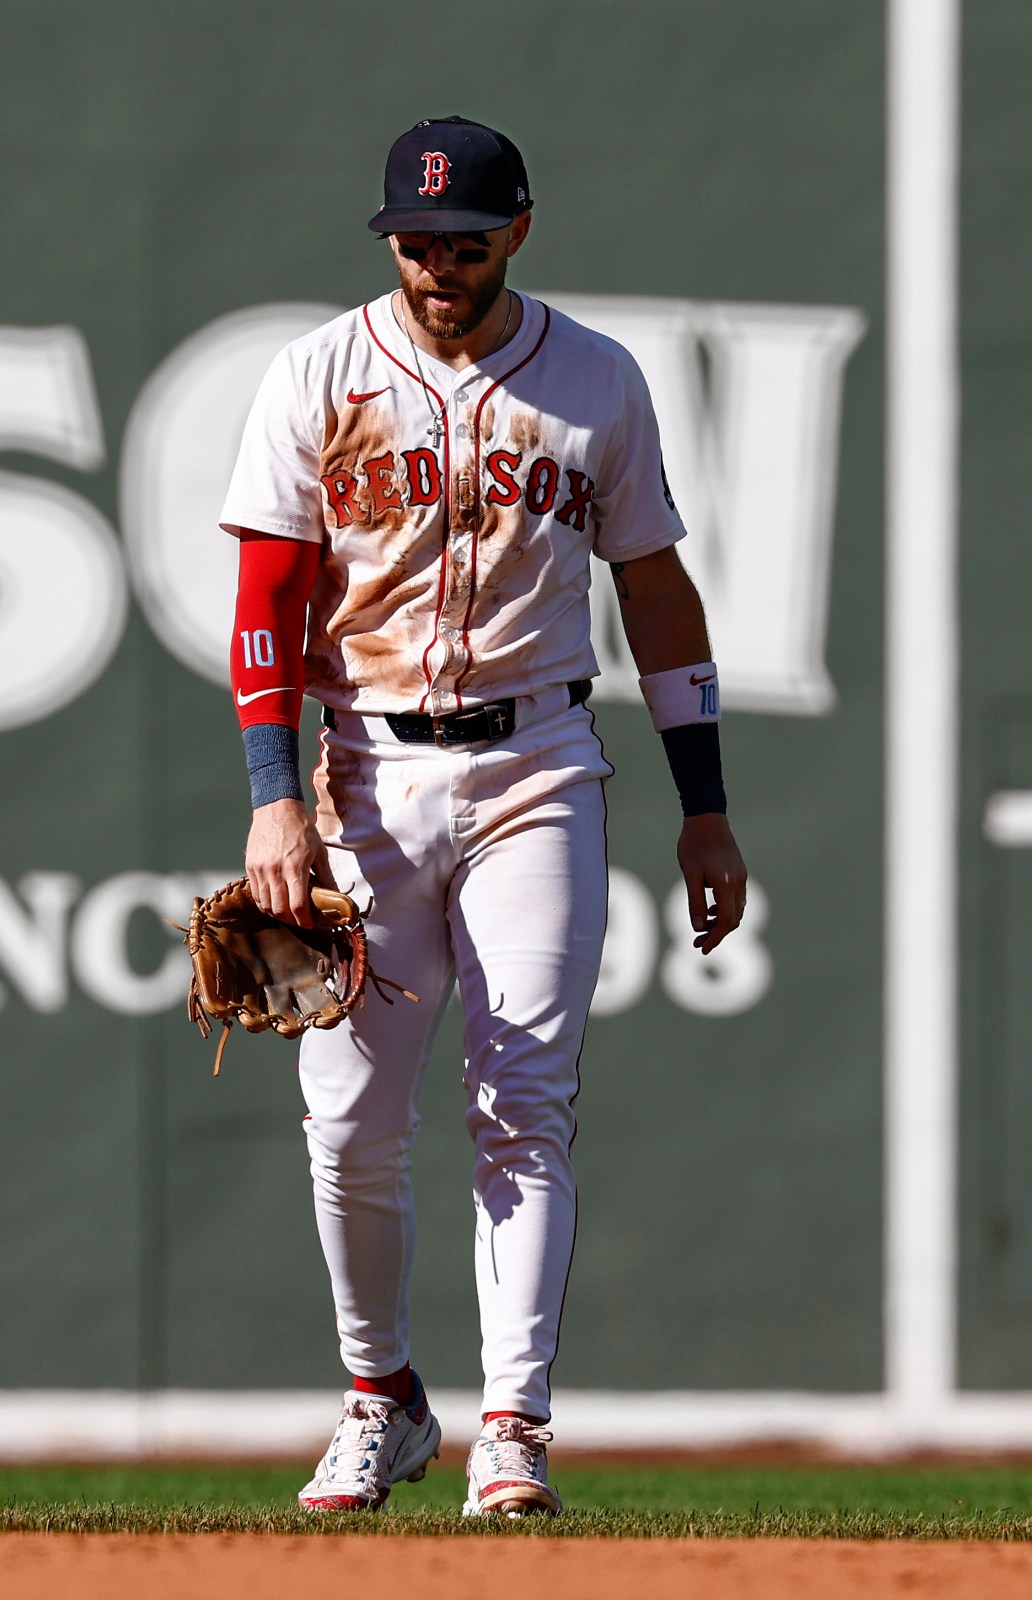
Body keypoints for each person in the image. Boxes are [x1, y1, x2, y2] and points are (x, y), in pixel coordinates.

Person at [217, 115, 747, 1517]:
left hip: (538, 767)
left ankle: (514, 1422)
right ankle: (379, 1397)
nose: (436, 264)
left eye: (462, 241)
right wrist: (277, 806)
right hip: (362, 774)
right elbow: (266, 603)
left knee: (524, 1100)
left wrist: (706, 811)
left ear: (519, 231)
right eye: (413, 241)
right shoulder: (319, 373)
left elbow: (656, 592)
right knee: (348, 1120)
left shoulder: (594, 380)